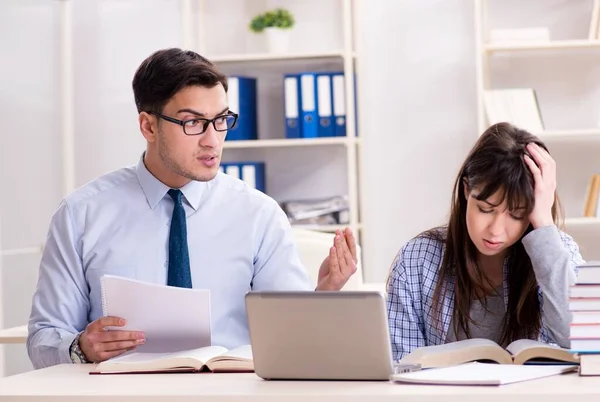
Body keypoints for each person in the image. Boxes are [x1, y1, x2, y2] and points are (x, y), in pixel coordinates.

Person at [27, 48, 358, 369]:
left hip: (232, 394)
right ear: (149, 127)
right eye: (193, 123)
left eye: (221, 120)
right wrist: (80, 348)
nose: (212, 140)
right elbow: (43, 339)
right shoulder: (81, 214)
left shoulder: (259, 214)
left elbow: (291, 339)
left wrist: (323, 295)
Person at [386, 122, 583, 361]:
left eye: (517, 214)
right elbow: (402, 368)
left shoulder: (558, 250)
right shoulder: (416, 260)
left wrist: (543, 221)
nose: (495, 230)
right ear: (467, 189)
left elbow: (580, 340)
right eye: (485, 209)